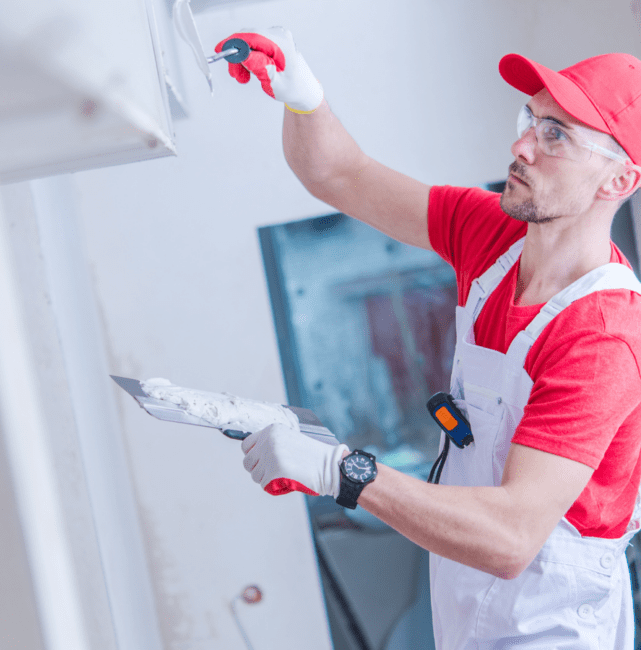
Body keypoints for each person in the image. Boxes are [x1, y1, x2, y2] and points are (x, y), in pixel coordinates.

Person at [215, 27, 641, 648]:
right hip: (467, 607)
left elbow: (512, 537)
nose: (521, 144)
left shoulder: (601, 339)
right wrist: (301, 93)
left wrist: (342, 471)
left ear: (618, 183)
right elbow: (341, 174)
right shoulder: (492, 235)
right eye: (532, 119)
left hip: (549, 625)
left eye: (556, 136)